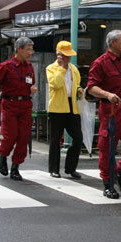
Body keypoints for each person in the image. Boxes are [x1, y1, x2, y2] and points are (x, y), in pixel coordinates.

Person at [87, 30, 121, 199]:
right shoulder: (100, 63)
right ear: (112, 43)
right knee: (108, 146)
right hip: (111, 109)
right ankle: (108, 183)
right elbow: (91, 87)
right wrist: (107, 94)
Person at [0, 37, 37, 181]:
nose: (30, 52)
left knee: (24, 137)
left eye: (31, 49)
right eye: (28, 49)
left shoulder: (29, 67)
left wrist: (32, 89)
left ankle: (16, 167)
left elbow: (31, 83)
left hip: (25, 105)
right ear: (19, 49)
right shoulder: (6, 66)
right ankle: (2, 156)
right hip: (10, 104)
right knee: (10, 135)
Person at [46, 41, 83, 179]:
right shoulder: (51, 68)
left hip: (72, 106)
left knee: (78, 137)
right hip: (57, 107)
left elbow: (77, 84)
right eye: (66, 56)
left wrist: (79, 90)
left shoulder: (74, 69)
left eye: (69, 56)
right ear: (59, 55)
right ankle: (54, 169)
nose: (69, 58)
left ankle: (71, 167)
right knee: (55, 139)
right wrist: (61, 68)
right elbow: (55, 84)